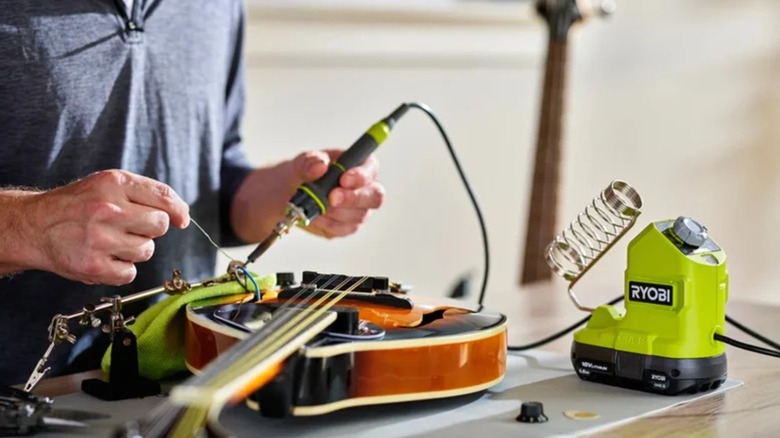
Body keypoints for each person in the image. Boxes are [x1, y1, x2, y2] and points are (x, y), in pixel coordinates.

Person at [0, 1, 384, 386]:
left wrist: (286, 191)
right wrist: (29, 225)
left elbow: (215, 180)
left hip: (181, 382)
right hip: (20, 394)